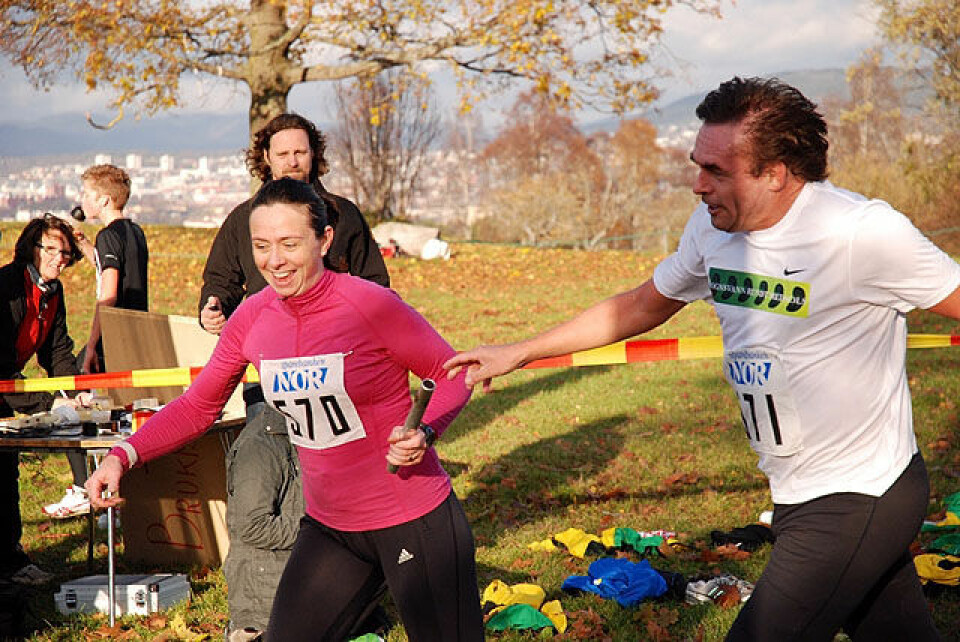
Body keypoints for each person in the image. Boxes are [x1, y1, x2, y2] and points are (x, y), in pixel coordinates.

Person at [445, 77, 960, 642]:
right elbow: (642, 304)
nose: (698, 185)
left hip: (862, 493)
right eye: (698, 165)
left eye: (717, 171)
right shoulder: (713, 231)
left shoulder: (862, 232)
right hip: (795, 487)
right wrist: (520, 352)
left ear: (776, 173)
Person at [88, 178, 484, 642]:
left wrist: (426, 432)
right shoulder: (252, 317)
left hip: (412, 517)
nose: (274, 261)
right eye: (261, 246)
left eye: (290, 244)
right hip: (331, 528)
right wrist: (123, 454)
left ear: (324, 240)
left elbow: (454, 372)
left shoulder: (370, 304)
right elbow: (200, 405)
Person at [197, 113, 391, 639]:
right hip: (272, 387)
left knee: (343, 491)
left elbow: (382, 291)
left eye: (301, 152)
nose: (292, 161)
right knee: (281, 493)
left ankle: (360, 596)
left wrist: (345, 305)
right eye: (282, 154)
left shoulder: (344, 216)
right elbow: (220, 282)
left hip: (343, 385)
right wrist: (212, 308)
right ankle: (279, 604)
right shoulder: (242, 219)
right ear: (265, 159)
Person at [43, 164, 149, 520]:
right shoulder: (133, 233)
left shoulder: (109, 238)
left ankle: (82, 488)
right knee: (120, 419)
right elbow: (109, 266)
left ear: (103, 199)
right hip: (137, 336)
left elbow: (108, 292)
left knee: (73, 406)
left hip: (112, 340)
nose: (82, 200)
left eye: (87, 194)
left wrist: (91, 348)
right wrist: (86, 245)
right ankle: (115, 495)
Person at [1, 216, 92, 585]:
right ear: (31, 250)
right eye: (50, 250)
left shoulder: (53, 293)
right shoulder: (8, 286)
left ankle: (11, 562)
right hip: (5, 381)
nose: (59, 259)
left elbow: (57, 350)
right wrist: (47, 402)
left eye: (66, 253)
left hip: (9, 385)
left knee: (7, 472)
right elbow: (3, 364)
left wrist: (75, 390)